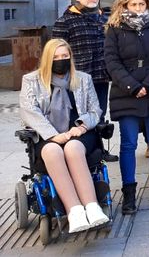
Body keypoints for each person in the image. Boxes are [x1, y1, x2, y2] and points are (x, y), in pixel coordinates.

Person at [19, 39, 109, 233]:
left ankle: (92, 208)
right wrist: (52, 135)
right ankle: (75, 211)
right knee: (52, 151)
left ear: (70, 57)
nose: (61, 60)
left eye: (65, 56)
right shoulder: (32, 81)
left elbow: (95, 110)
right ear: (47, 59)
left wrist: (82, 126)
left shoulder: (83, 79)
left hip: (79, 134)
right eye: (56, 57)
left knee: (73, 148)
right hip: (46, 137)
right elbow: (29, 111)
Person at [104, 0, 149, 213]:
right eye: (133, 5)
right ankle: (129, 194)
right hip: (127, 94)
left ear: (148, 5)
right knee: (128, 144)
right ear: (124, 5)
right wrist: (133, 86)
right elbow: (112, 61)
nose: (137, 8)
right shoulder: (115, 29)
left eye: (141, 4)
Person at [52, 0, 111, 124]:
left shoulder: (105, 19)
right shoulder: (65, 21)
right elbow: (55, 51)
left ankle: (97, 146)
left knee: (99, 117)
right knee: (77, 118)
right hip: (76, 80)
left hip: (101, 77)